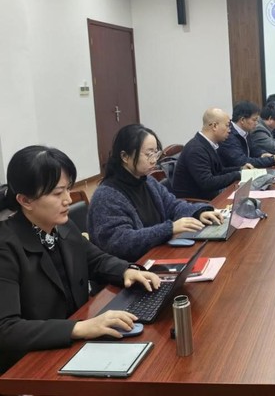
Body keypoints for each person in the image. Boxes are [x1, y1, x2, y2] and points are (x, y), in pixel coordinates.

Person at [0, 145, 161, 374]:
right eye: (57, 193)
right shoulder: (6, 247)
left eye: (68, 189)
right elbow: (6, 330)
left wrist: (127, 270)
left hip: (74, 347)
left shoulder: (61, 226)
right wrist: (80, 328)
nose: (68, 199)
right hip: (32, 364)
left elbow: (96, 260)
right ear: (25, 200)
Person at [88, 124, 224, 261]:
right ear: (125, 156)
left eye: (156, 153)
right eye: (149, 154)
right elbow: (120, 243)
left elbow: (172, 205)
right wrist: (169, 229)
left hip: (156, 254)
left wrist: (198, 213)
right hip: (132, 267)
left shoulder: (147, 181)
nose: (154, 160)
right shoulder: (106, 196)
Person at [172, 108, 252, 200]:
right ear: (214, 126)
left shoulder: (207, 144)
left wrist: (240, 169)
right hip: (196, 202)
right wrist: (238, 174)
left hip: (210, 196)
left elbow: (219, 171)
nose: (229, 130)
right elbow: (207, 183)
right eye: (227, 126)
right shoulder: (196, 149)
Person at [218, 101, 275, 168]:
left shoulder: (245, 131)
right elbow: (242, 161)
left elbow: (253, 148)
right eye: (254, 120)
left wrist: (262, 154)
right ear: (242, 120)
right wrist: (272, 160)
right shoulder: (228, 135)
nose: (256, 123)